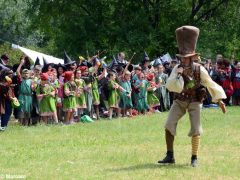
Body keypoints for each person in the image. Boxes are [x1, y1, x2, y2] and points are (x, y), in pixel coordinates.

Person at [158, 26, 227, 167]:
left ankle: (194, 158)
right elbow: (171, 86)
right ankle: (170, 155)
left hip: (195, 101)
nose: (184, 60)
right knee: (169, 125)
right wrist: (178, 74)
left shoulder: (199, 69)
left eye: (186, 58)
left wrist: (219, 100)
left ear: (192, 58)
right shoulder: (177, 69)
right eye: (182, 58)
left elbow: (210, 83)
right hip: (180, 101)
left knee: (196, 128)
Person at [16, 58, 33, 126]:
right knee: (21, 111)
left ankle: (26, 125)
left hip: (29, 97)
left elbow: (33, 88)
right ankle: (20, 125)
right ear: (22, 74)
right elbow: (17, 71)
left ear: (29, 74)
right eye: (24, 73)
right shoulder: (21, 80)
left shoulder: (31, 80)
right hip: (22, 96)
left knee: (27, 111)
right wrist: (21, 64)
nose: (26, 74)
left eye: (27, 73)